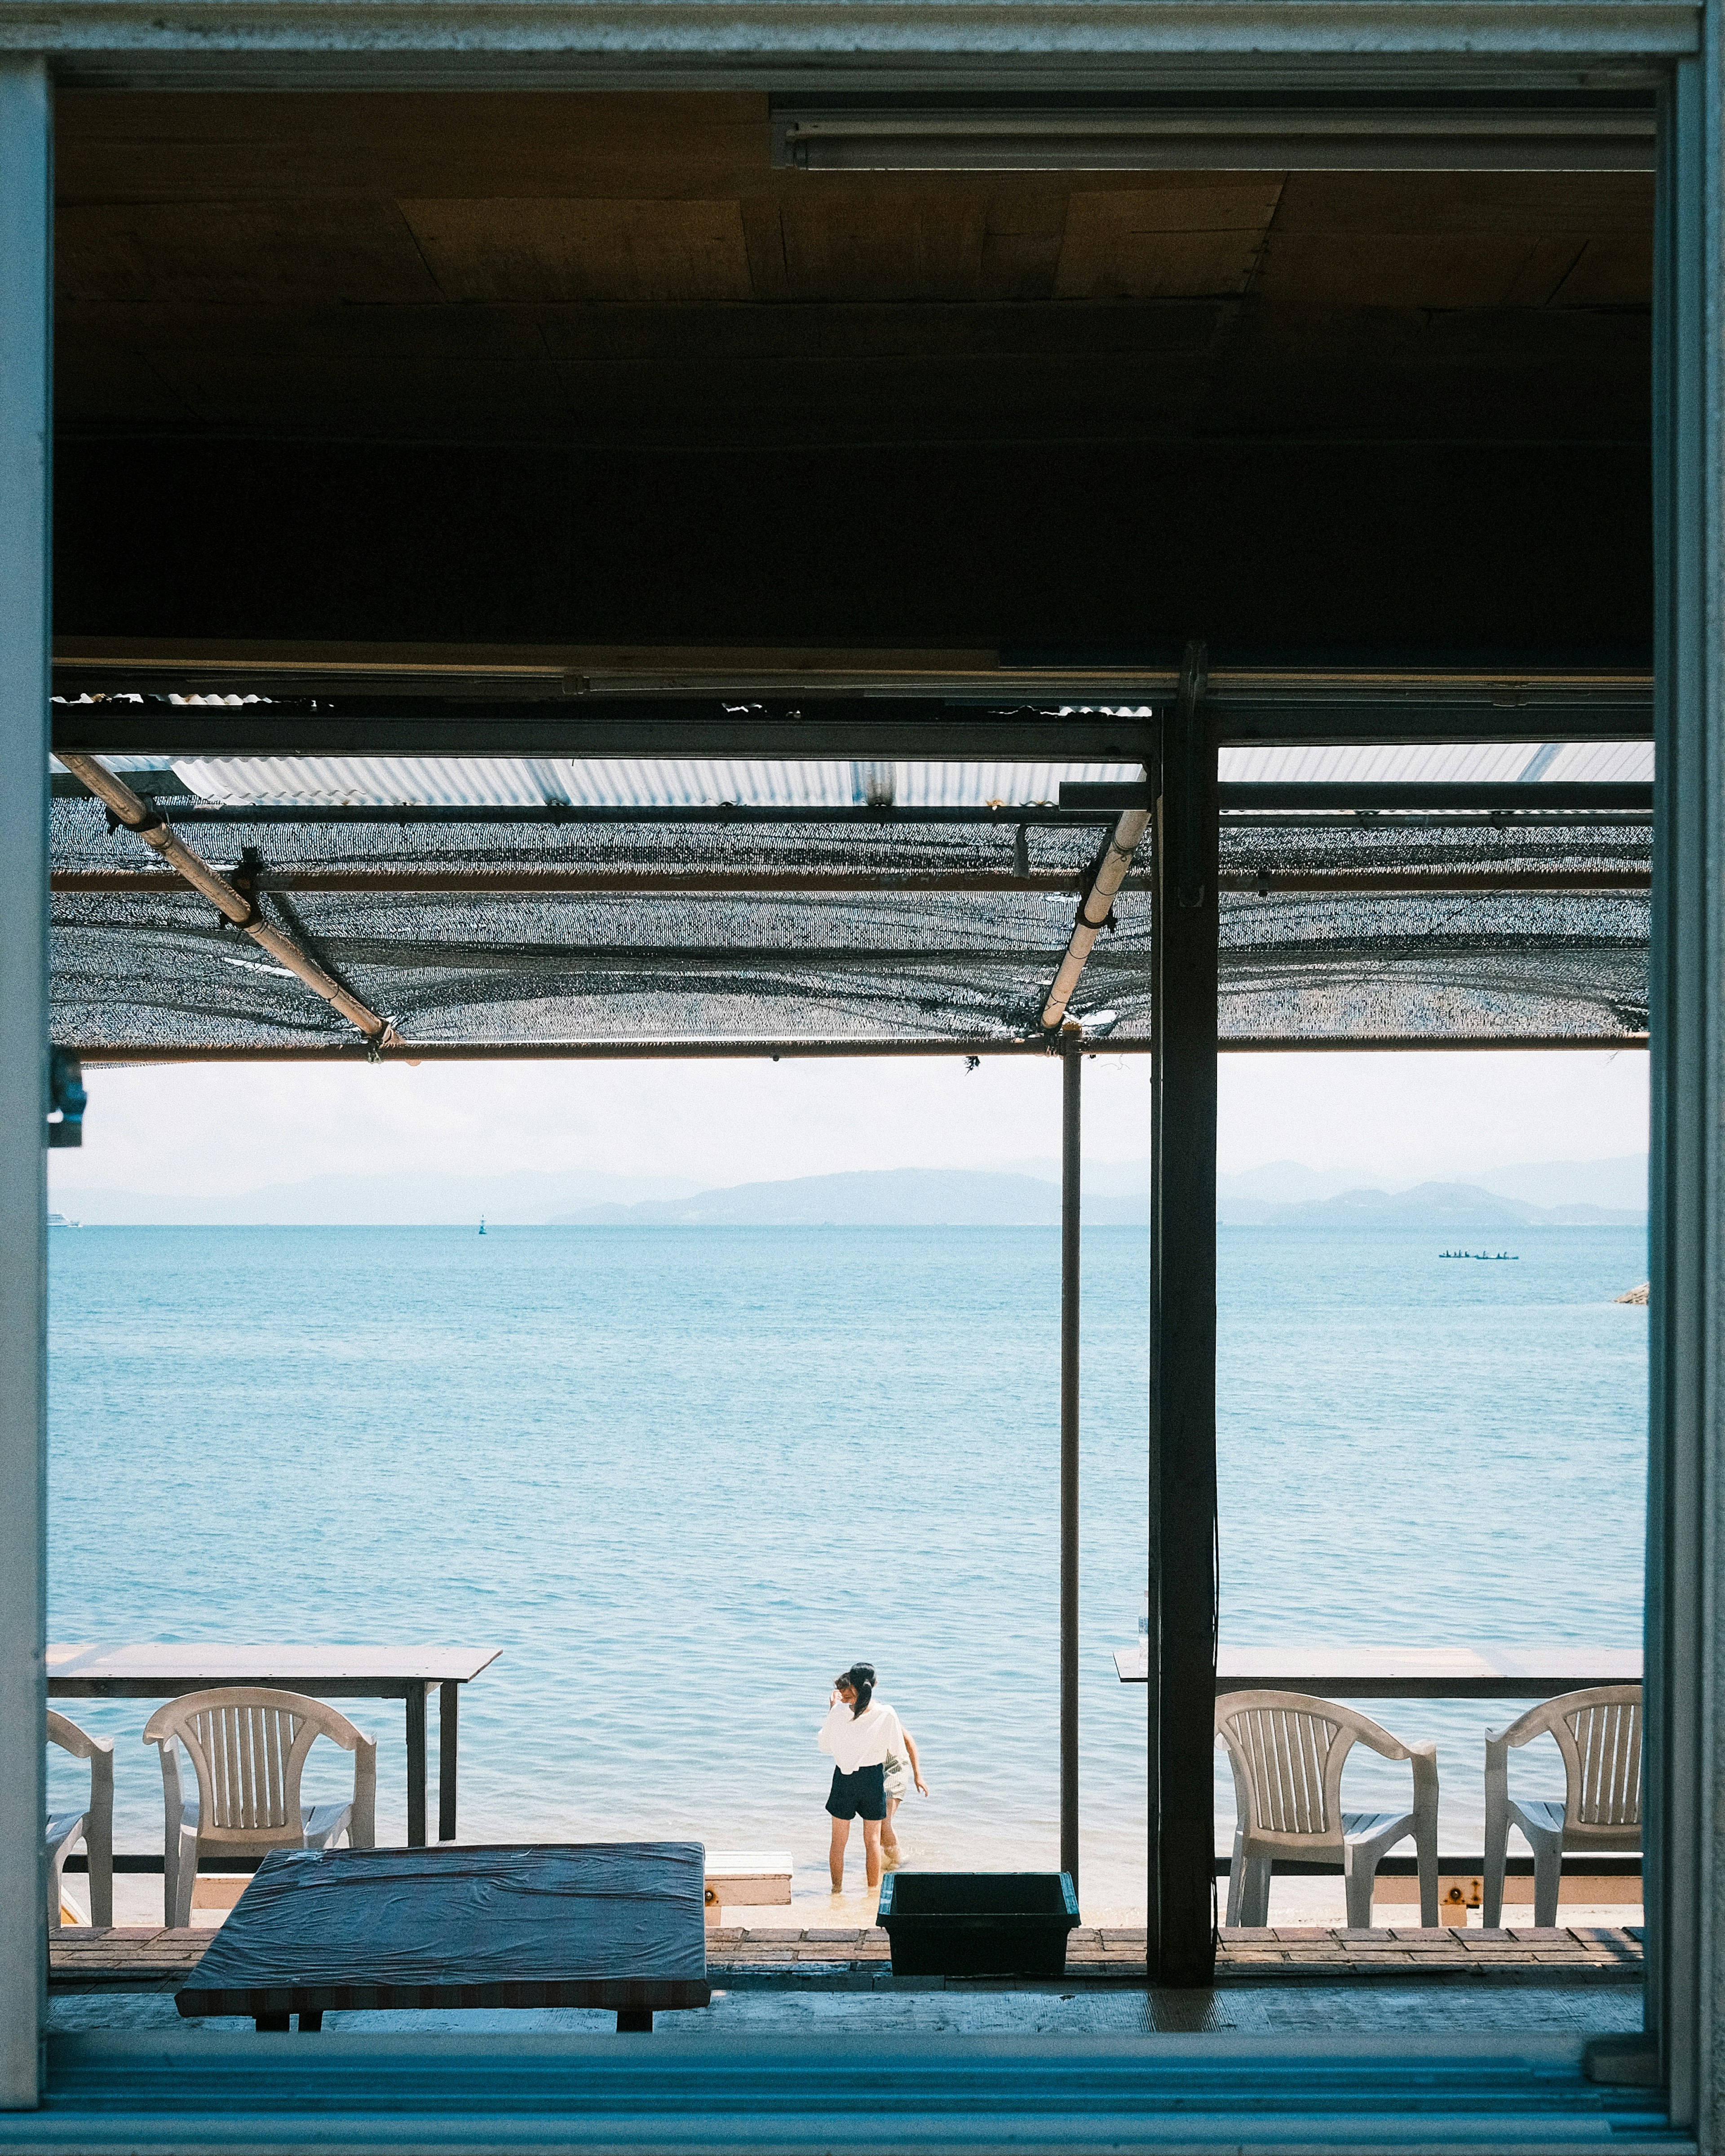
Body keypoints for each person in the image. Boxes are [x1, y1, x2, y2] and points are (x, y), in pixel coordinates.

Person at [818, 1660, 912, 1893]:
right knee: (872, 1842)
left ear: (852, 1685)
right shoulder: (887, 1713)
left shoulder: (839, 1711)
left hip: (844, 1779)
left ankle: (837, 1891)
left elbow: (824, 1746)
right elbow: (897, 1750)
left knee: (838, 1843)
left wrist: (832, 1710)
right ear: (875, 1684)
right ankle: (872, 1894)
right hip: (872, 1779)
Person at [881, 1716, 929, 1865]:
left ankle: (897, 1863)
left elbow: (909, 1742)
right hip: (875, 1771)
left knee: (884, 1820)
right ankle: (885, 1864)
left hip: (895, 1769)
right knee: (875, 1823)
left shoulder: (883, 1715)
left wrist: (918, 1776)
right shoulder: (851, 1716)